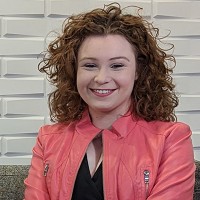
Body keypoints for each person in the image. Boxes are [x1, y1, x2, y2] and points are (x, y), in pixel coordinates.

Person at [24, 3, 195, 200]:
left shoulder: (171, 139)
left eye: (116, 65)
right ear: (74, 71)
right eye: (90, 65)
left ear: (138, 71)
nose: (101, 78)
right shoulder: (48, 139)